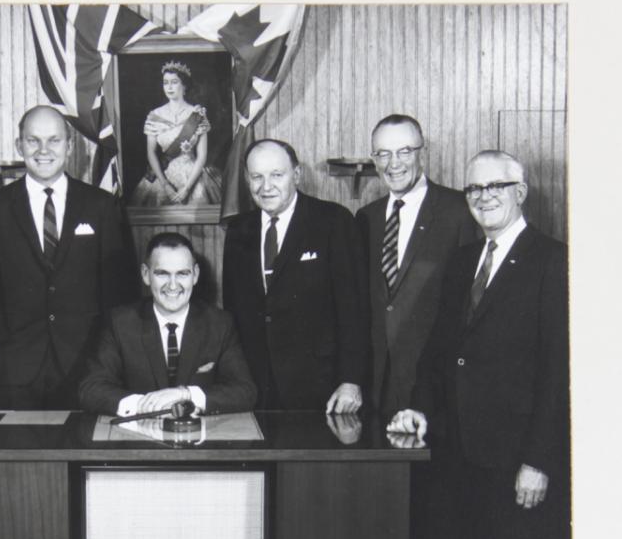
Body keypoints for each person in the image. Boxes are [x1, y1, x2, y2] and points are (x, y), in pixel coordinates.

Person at [389, 150, 570, 539]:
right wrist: (418, 409)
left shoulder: (552, 260)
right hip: (461, 453)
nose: (484, 197)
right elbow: (441, 351)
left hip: (518, 461)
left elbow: (560, 373)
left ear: (520, 191)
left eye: (496, 186)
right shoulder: (466, 258)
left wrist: (540, 461)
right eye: (474, 189)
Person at [0, 105, 139, 409]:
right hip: (16, 372)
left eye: (54, 140)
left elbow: (120, 295)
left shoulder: (101, 206)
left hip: (88, 370)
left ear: (69, 146)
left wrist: (114, 368)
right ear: (19, 145)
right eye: (33, 140)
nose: (43, 150)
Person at [222, 139, 365, 412]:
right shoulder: (238, 231)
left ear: (296, 175)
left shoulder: (333, 221)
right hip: (255, 386)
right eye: (257, 177)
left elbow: (353, 309)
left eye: (277, 175)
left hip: (321, 386)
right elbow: (233, 312)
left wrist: (351, 380)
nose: (266, 186)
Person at [355, 114, 478, 415]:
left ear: (423, 152)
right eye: (383, 154)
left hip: (433, 388)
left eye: (404, 151)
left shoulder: (459, 211)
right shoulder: (366, 218)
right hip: (376, 389)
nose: (393, 163)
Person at [79, 233, 256, 416]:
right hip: (138, 438)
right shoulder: (120, 322)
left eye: (182, 274)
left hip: (200, 438)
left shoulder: (220, 324)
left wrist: (185, 395)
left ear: (195, 275)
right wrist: (144, 404)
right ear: (146, 275)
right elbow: (91, 388)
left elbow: (244, 391)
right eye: (162, 274)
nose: (173, 286)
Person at [129, 61, 222, 207]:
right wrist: (165, 185)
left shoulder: (197, 114)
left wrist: (187, 188)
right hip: (162, 175)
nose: (169, 87)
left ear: (184, 86)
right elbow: (151, 153)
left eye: (174, 82)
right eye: (165, 83)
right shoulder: (155, 116)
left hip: (193, 175)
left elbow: (202, 156)